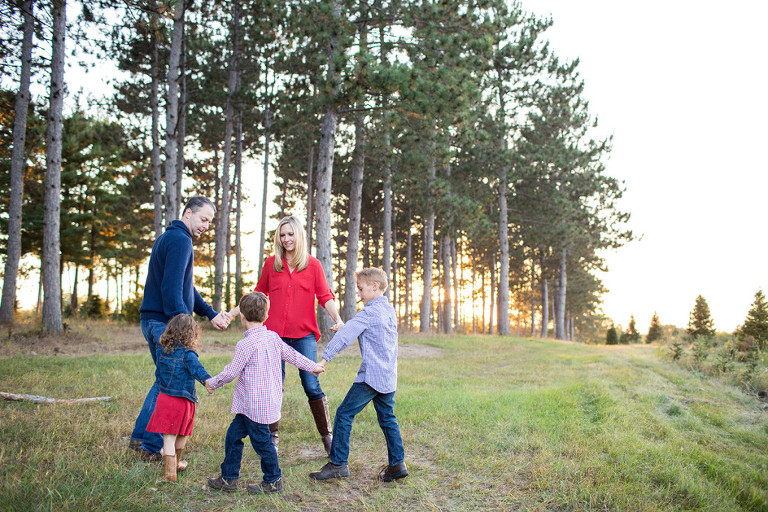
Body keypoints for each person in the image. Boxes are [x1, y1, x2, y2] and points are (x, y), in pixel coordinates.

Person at [229, 215, 343, 454]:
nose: (286, 239)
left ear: (299, 235)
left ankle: (327, 437)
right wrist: (231, 314)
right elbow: (257, 294)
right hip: (272, 337)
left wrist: (337, 319)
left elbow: (325, 296)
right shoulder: (272, 264)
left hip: (304, 336)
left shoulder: (313, 265)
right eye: (282, 235)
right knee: (272, 387)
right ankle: (272, 439)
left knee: (311, 384)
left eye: (290, 234)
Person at [130, 197, 232, 460]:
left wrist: (209, 313)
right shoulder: (180, 240)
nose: (206, 226)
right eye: (203, 219)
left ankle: (141, 437)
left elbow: (185, 287)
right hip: (165, 325)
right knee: (171, 386)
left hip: (154, 321)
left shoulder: (170, 238)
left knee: (163, 380)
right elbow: (171, 289)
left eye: (210, 222)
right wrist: (182, 328)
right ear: (188, 213)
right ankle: (152, 447)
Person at [206, 291, 325, 494]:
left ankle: (273, 480)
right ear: (266, 316)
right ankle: (229, 478)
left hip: (256, 408)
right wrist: (312, 366)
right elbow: (294, 355)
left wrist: (213, 383)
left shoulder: (245, 344)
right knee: (233, 436)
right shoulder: (273, 338)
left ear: (241, 316)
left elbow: (231, 372)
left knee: (263, 444)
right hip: (253, 406)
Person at [309, 268, 408, 482]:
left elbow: (345, 336)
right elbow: (356, 329)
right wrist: (348, 326)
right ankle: (398, 463)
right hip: (388, 376)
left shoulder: (368, 313)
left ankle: (338, 463)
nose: (359, 294)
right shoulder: (388, 310)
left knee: (344, 414)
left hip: (371, 377)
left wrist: (324, 359)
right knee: (388, 418)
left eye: (361, 289)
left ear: (374, 286)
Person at [144, 314, 213, 482]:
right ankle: (171, 471)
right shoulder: (189, 354)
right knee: (181, 434)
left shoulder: (164, 351)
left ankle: (172, 468)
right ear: (192, 334)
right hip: (184, 401)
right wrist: (208, 382)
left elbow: (159, 375)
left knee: (168, 438)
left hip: (166, 399)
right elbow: (198, 370)